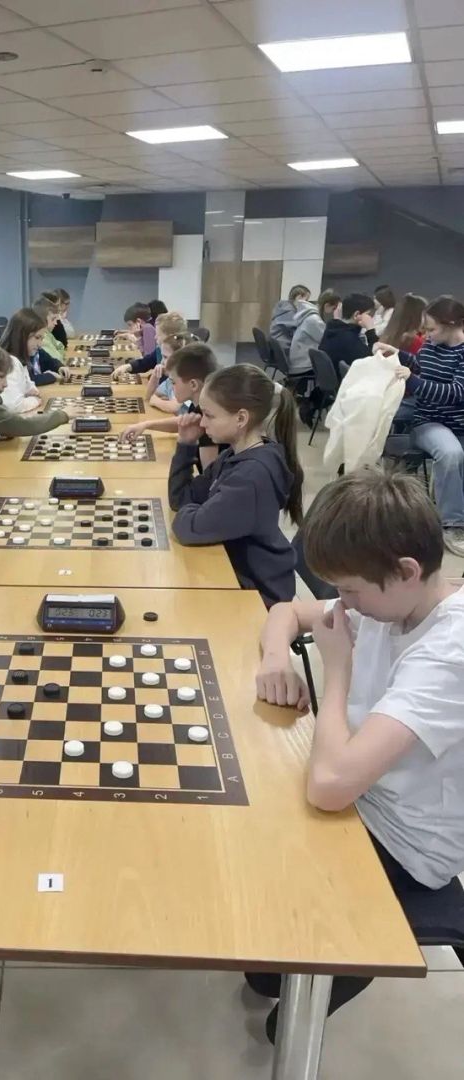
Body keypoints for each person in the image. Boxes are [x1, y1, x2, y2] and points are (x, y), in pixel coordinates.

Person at [253, 469, 464, 1039]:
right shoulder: (389, 601)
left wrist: (337, 666)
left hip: (406, 842)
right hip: (360, 796)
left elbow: (329, 787)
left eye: (349, 590)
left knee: (276, 996)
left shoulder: (448, 653)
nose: (341, 604)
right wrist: (276, 659)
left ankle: (352, 952)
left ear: (407, 571)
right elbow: (286, 612)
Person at [169, 364, 302, 607]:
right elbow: (181, 499)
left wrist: (201, 511)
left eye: (209, 415)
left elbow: (189, 527)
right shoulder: (233, 455)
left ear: (241, 418)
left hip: (257, 593)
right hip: (234, 571)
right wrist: (186, 445)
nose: (202, 423)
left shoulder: (251, 477)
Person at [375, 296, 464, 549]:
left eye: (432, 329)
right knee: (451, 454)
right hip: (429, 422)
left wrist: (414, 380)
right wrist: (399, 355)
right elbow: (422, 366)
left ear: (451, 325)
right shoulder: (430, 345)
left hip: (458, 424)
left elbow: (457, 392)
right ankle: (453, 524)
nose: (427, 334)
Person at [0, 342, 70, 475]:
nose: (6, 384)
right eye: (1, 376)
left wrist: (0, 430)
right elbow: (23, 426)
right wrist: (62, 414)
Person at [0, 307, 69, 387]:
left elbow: (51, 361)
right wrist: (51, 376)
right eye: (37, 337)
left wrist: (59, 367)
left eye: (42, 338)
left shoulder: (34, 351)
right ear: (21, 336)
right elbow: (28, 381)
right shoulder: (10, 361)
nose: (40, 344)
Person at [112, 311, 186, 380]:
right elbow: (146, 362)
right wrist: (128, 366)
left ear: (170, 337)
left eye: (158, 335)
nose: (155, 337)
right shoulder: (159, 350)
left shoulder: (182, 359)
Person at [319, 292, 378, 375]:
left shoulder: (333, 329)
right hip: (347, 381)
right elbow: (374, 361)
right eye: (368, 314)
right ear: (356, 315)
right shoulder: (348, 338)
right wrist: (371, 330)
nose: (371, 318)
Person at [288, 288, 341, 375]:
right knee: (336, 367)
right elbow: (329, 341)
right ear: (327, 305)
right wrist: (337, 320)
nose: (333, 312)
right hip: (303, 366)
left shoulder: (310, 316)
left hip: (299, 361)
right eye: (334, 308)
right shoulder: (313, 320)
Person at [269, 284, 311, 352]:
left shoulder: (283, 306)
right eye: (306, 300)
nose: (307, 303)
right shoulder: (289, 312)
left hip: (277, 345)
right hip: (284, 348)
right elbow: (298, 333)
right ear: (299, 297)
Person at [32, 295, 66, 363]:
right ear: (42, 320)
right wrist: (60, 354)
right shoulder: (43, 337)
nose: (56, 323)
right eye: (53, 319)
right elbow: (58, 359)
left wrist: (59, 354)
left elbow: (61, 346)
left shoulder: (48, 333)